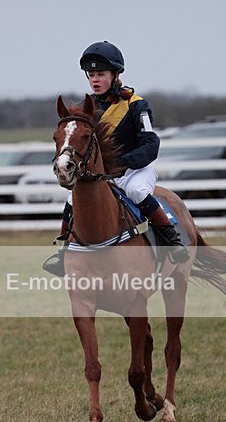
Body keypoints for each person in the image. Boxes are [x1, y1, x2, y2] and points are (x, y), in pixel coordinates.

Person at [45, 41, 189, 276]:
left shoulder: (136, 105)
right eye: (91, 75)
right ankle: (63, 253)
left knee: (137, 192)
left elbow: (151, 143)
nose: (95, 80)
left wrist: (126, 161)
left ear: (115, 74)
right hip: (102, 176)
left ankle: (172, 242)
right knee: (73, 200)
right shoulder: (85, 108)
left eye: (100, 74)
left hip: (134, 170)